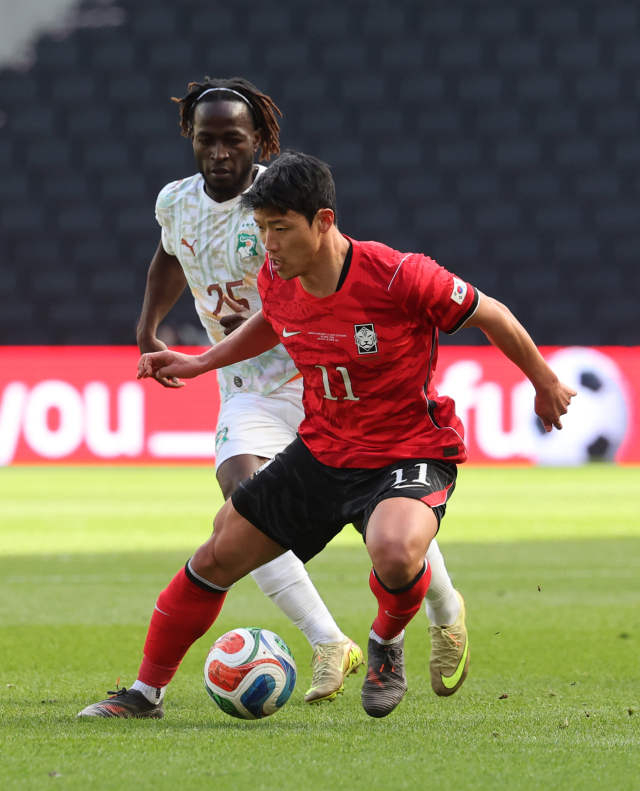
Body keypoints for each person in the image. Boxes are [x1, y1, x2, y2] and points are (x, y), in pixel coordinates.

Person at [135, 79, 467, 707]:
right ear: (191, 140)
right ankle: (327, 642)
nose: (220, 153)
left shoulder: (279, 196)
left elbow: (331, 275)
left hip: (315, 375)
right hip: (246, 385)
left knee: (386, 514)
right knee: (241, 497)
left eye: (233, 140)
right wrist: (150, 328)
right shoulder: (175, 203)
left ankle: (445, 609)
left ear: (258, 140)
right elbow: (169, 257)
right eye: (207, 140)